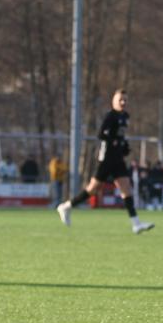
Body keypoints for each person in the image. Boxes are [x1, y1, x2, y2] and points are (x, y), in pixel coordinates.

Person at [57, 89, 154, 234]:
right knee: (92, 189)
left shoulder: (125, 116)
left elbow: (120, 136)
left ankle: (136, 224)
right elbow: (101, 134)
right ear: (113, 101)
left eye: (125, 100)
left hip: (118, 159)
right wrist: (114, 142)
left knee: (126, 189)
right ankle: (66, 206)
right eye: (120, 99)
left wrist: (124, 146)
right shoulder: (111, 116)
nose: (123, 102)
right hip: (107, 159)